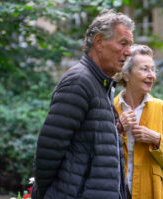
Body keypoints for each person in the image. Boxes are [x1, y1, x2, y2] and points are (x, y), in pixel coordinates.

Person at [31, 9, 134, 199]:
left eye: (130, 45)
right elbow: (49, 151)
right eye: (123, 44)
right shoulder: (79, 82)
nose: (128, 52)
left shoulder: (101, 84)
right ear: (99, 42)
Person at [113, 44, 163, 199]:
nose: (152, 75)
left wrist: (156, 139)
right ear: (126, 74)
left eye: (153, 70)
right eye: (145, 69)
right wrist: (117, 129)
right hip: (116, 192)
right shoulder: (109, 108)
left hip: (156, 193)